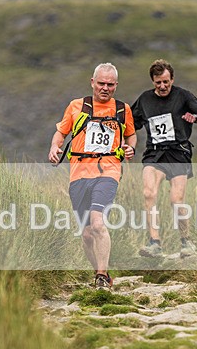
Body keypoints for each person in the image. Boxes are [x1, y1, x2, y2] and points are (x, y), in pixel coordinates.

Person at [49, 63, 136, 288]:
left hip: (109, 171)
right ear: (92, 82)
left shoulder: (122, 109)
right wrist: (54, 147)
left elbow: (131, 135)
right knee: (87, 233)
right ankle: (100, 273)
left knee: (98, 223)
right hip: (78, 174)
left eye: (110, 85)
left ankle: (101, 275)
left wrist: (130, 148)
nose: (105, 88)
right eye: (101, 84)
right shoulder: (77, 106)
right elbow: (61, 132)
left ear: (116, 85)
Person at [131, 59, 197, 259]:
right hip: (154, 153)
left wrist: (194, 118)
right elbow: (130, 124)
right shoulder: (144, 99)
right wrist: (126, 143)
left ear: (172, 79)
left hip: (178, 152)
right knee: (149, 193)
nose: (162, 86)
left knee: (176, 199)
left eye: (166, 82)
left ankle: (187, 242)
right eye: (158, 82)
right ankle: (154, 243)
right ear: (153, 81)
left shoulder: (183, 95)